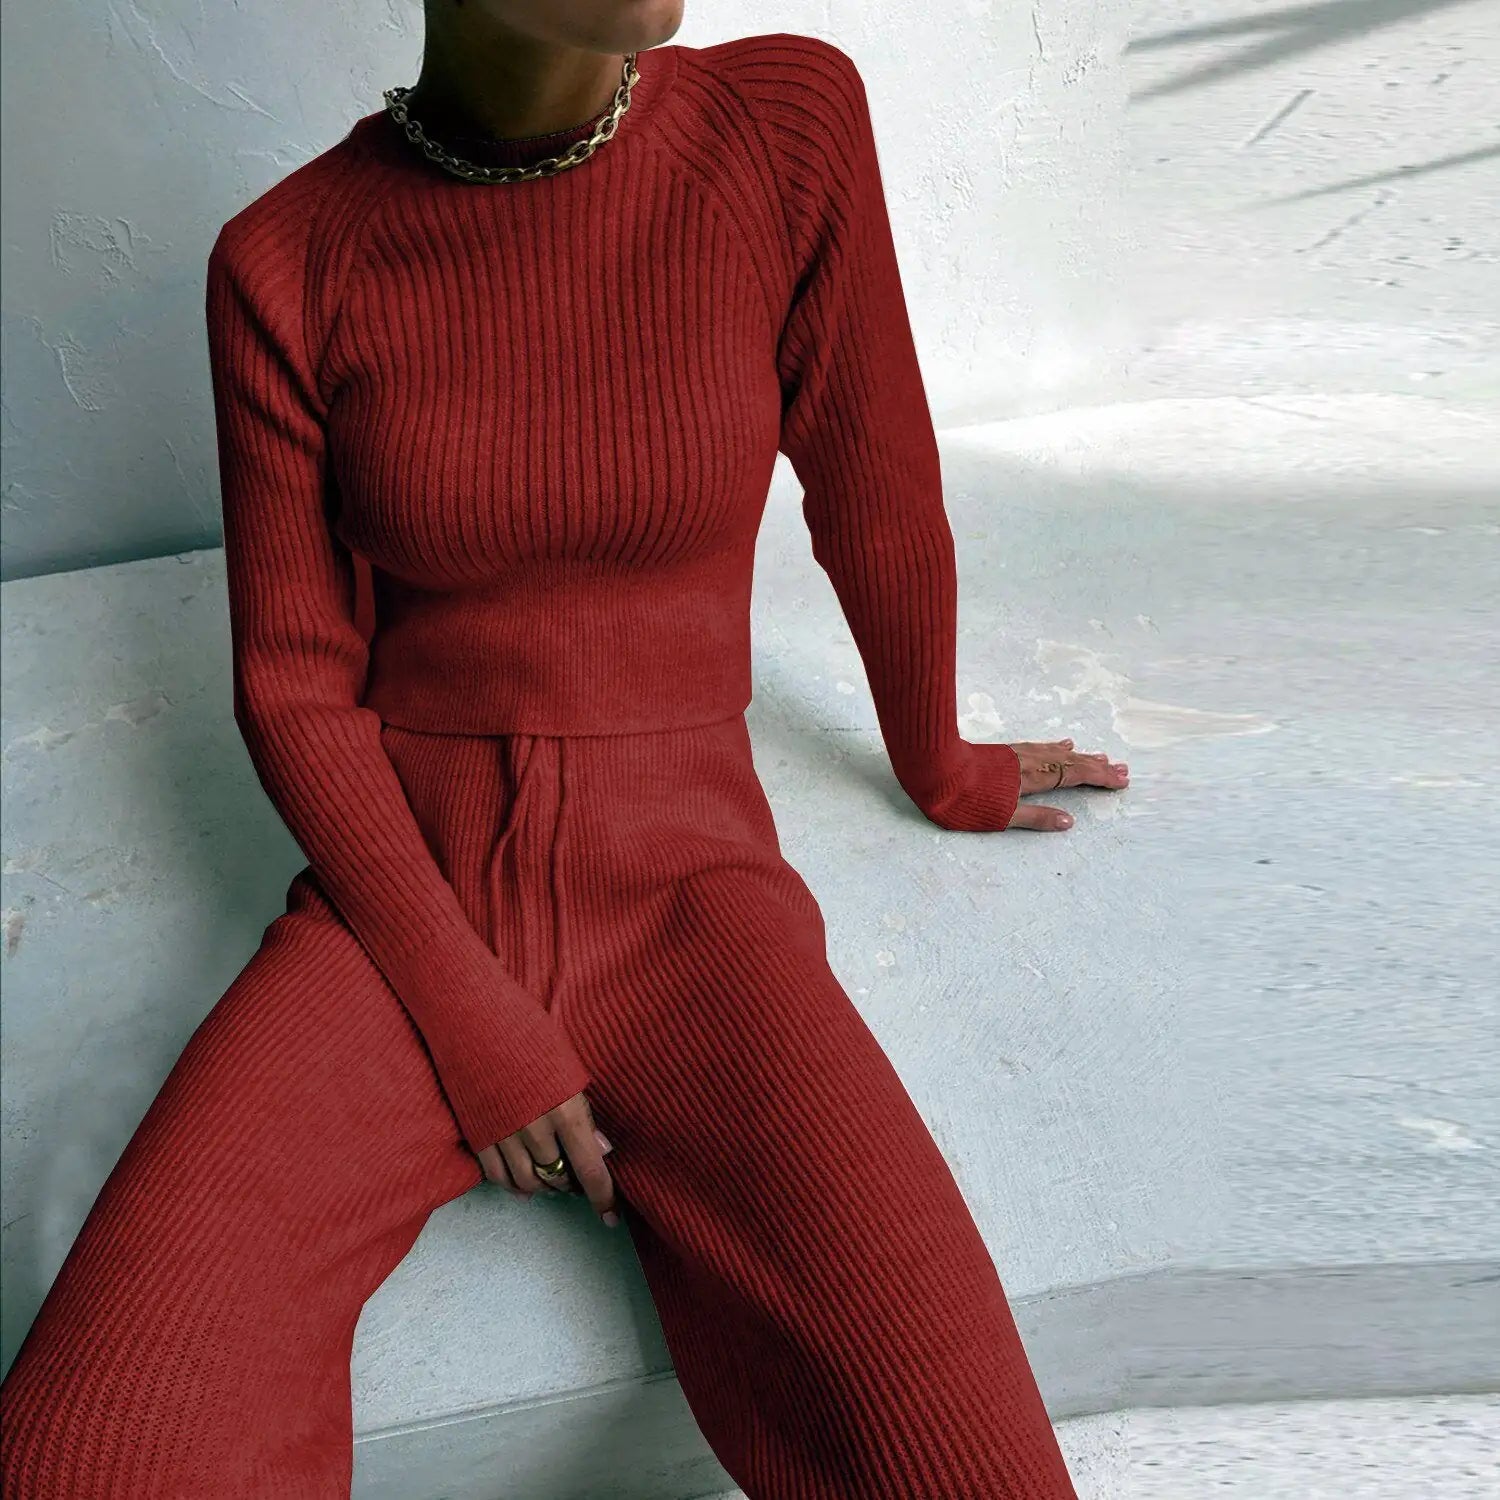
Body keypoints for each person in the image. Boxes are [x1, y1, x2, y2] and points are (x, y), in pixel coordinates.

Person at [0, 3, 1128, 1496]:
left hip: (695, 904)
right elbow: (292, 685)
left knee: (965, 1459)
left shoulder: (782, 131)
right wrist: (477, 1026)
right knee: (82, 1455)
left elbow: (875, 476)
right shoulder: (287, 259)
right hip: (398, 916)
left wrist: (942, 761)